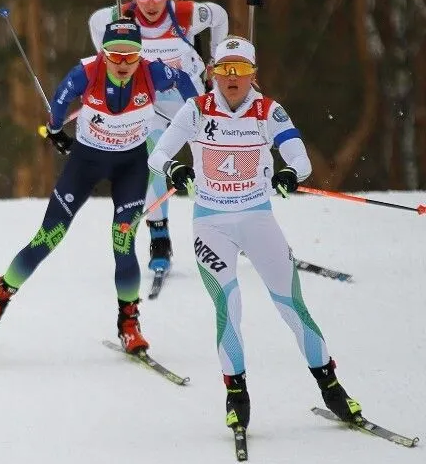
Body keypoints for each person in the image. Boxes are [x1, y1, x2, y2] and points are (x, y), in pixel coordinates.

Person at [146, 36, 362, 430]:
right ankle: (236, 395)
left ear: (252, 75)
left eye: (240, 70)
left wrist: (289, 173)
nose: (232, 78)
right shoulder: (196, 110)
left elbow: (300, 157)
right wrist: (174, 169)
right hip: (210, 225)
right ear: (212, 73)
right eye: (225, 70)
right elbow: (157, 154)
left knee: (292, 306)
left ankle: (331, 387)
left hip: (259, 221)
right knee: (229, 308)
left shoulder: (268, 111)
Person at [0, 17, 198, 354]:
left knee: (123, 242)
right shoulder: (86, 72)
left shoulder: (153, 72)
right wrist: (57, 129)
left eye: (130, 56)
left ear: (140, 55)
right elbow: (60, 100)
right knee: (48, 237)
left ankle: (129, 322)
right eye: (115, 56)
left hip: (131, 165)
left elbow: (188, 84)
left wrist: (200, 116)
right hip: (85, 162)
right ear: (104, 53)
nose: (122, 64)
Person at [89, 0, 228, 273]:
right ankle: (160, 237)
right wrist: (109, 67)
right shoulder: (119, 18)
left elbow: (218, 15)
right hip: (149, 106)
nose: (151, 3)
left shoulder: (186, 13)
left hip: (188, 101)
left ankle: (229, 226)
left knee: (215, 160)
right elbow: (96, 21)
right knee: (153, 166)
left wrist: (215, 63)